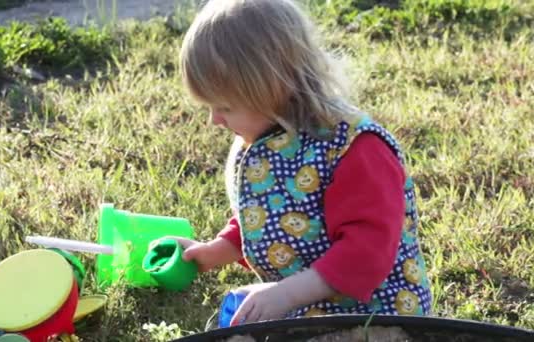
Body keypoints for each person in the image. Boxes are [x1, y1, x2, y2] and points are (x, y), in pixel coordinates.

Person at [169, 0, 432, 325]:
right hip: (306, 309)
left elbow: (367, 252)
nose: (215, 120)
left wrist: (286, 294)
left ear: (272, 88)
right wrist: (216, 250)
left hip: (374, 315)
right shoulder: (271, 135)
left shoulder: (354, 148)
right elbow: (273, 212)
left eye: (225, 106)